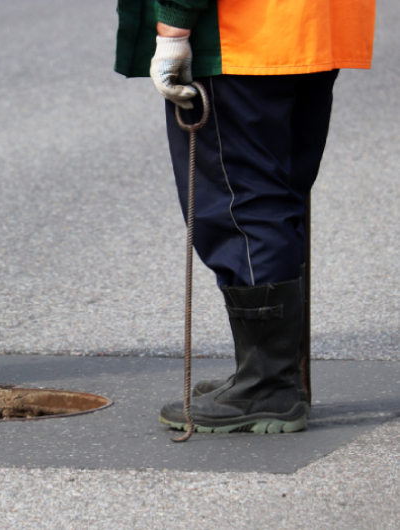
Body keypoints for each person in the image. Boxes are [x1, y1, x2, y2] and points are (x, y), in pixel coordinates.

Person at [115, 0, 375, 433]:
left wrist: (175, 27)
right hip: (316, 27)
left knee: (242, 206)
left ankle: (267, 386)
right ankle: (278, 376)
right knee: (280, 197)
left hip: (241, 34)